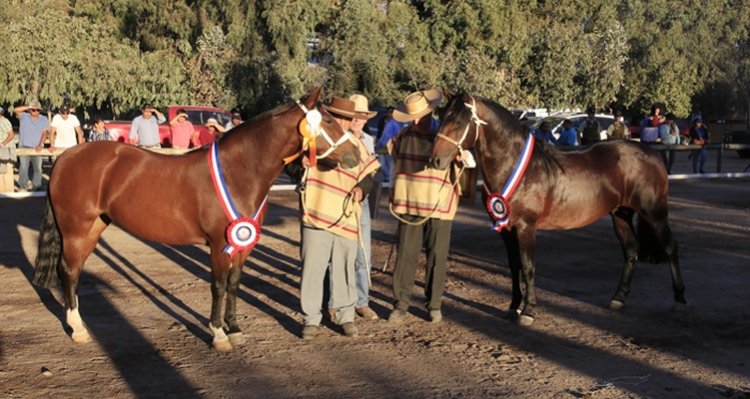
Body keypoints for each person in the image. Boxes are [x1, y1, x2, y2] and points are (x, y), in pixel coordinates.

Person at [288, 96, 380, 339]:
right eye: (339, 116)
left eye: (348, 118)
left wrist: (362, 189)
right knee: (313, 269)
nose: (344, 121)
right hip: (316, 212)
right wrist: (301, 162)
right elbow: (290, 166)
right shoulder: (314, 137)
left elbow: (369, 173)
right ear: (331, 116)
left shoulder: (357, 145)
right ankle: (311, 318)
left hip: (346, 214)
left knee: (345, 269)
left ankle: (345, 316)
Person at [387, 89, 462, 324]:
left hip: (439, 205)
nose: (417, 121)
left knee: (437, 257)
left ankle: (434, 304)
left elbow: (461, 170)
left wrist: (461, 160)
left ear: (430, 113)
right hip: (409, 202)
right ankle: (400, 304)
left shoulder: (446, 137)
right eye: (413, 118)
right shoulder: (402, 138)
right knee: (405, 256)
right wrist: (394, 192)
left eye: (421, 116)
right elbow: (395, 166)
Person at [335, 93, 379, 321]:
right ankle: (334, 302)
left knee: (363, 253)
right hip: (339, 200)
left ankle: (361, 301)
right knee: (338, 253)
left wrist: (363, 188)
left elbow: (371, 172)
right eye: (354, 116)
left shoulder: (368, 142)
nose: (358, 120)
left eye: (362, 116)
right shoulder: (338, 139)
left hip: (361, 202)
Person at [14, 100, 49, 191]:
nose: (36, 112)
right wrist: (29, 107)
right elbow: (16, 110)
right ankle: (23, 185)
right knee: (23, 167)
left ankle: (36, 185)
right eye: (33, 110)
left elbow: (45, 133)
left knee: (38, 168)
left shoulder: (44, 119)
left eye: (38, 110)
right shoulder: (24, 116)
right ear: (29, 110)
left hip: (37, 147)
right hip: (24, 145)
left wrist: (41, 144)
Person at [375, 107, 405, 183]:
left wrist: (379, 144)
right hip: (388, 145)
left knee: (385, 162)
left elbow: (389, 136)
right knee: (386, 162)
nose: (390, 113)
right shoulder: (388, 122)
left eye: (391, 112)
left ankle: (388, 176)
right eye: (389, 112)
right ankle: (388, 177)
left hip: (388, 145)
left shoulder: (392, 124)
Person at [0, 107, 16, 183]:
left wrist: (2, 144)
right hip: (3, 149)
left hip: (6, 149)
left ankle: (7, 190)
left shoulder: (4, 121)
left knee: (6, 171)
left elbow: (11, 134)